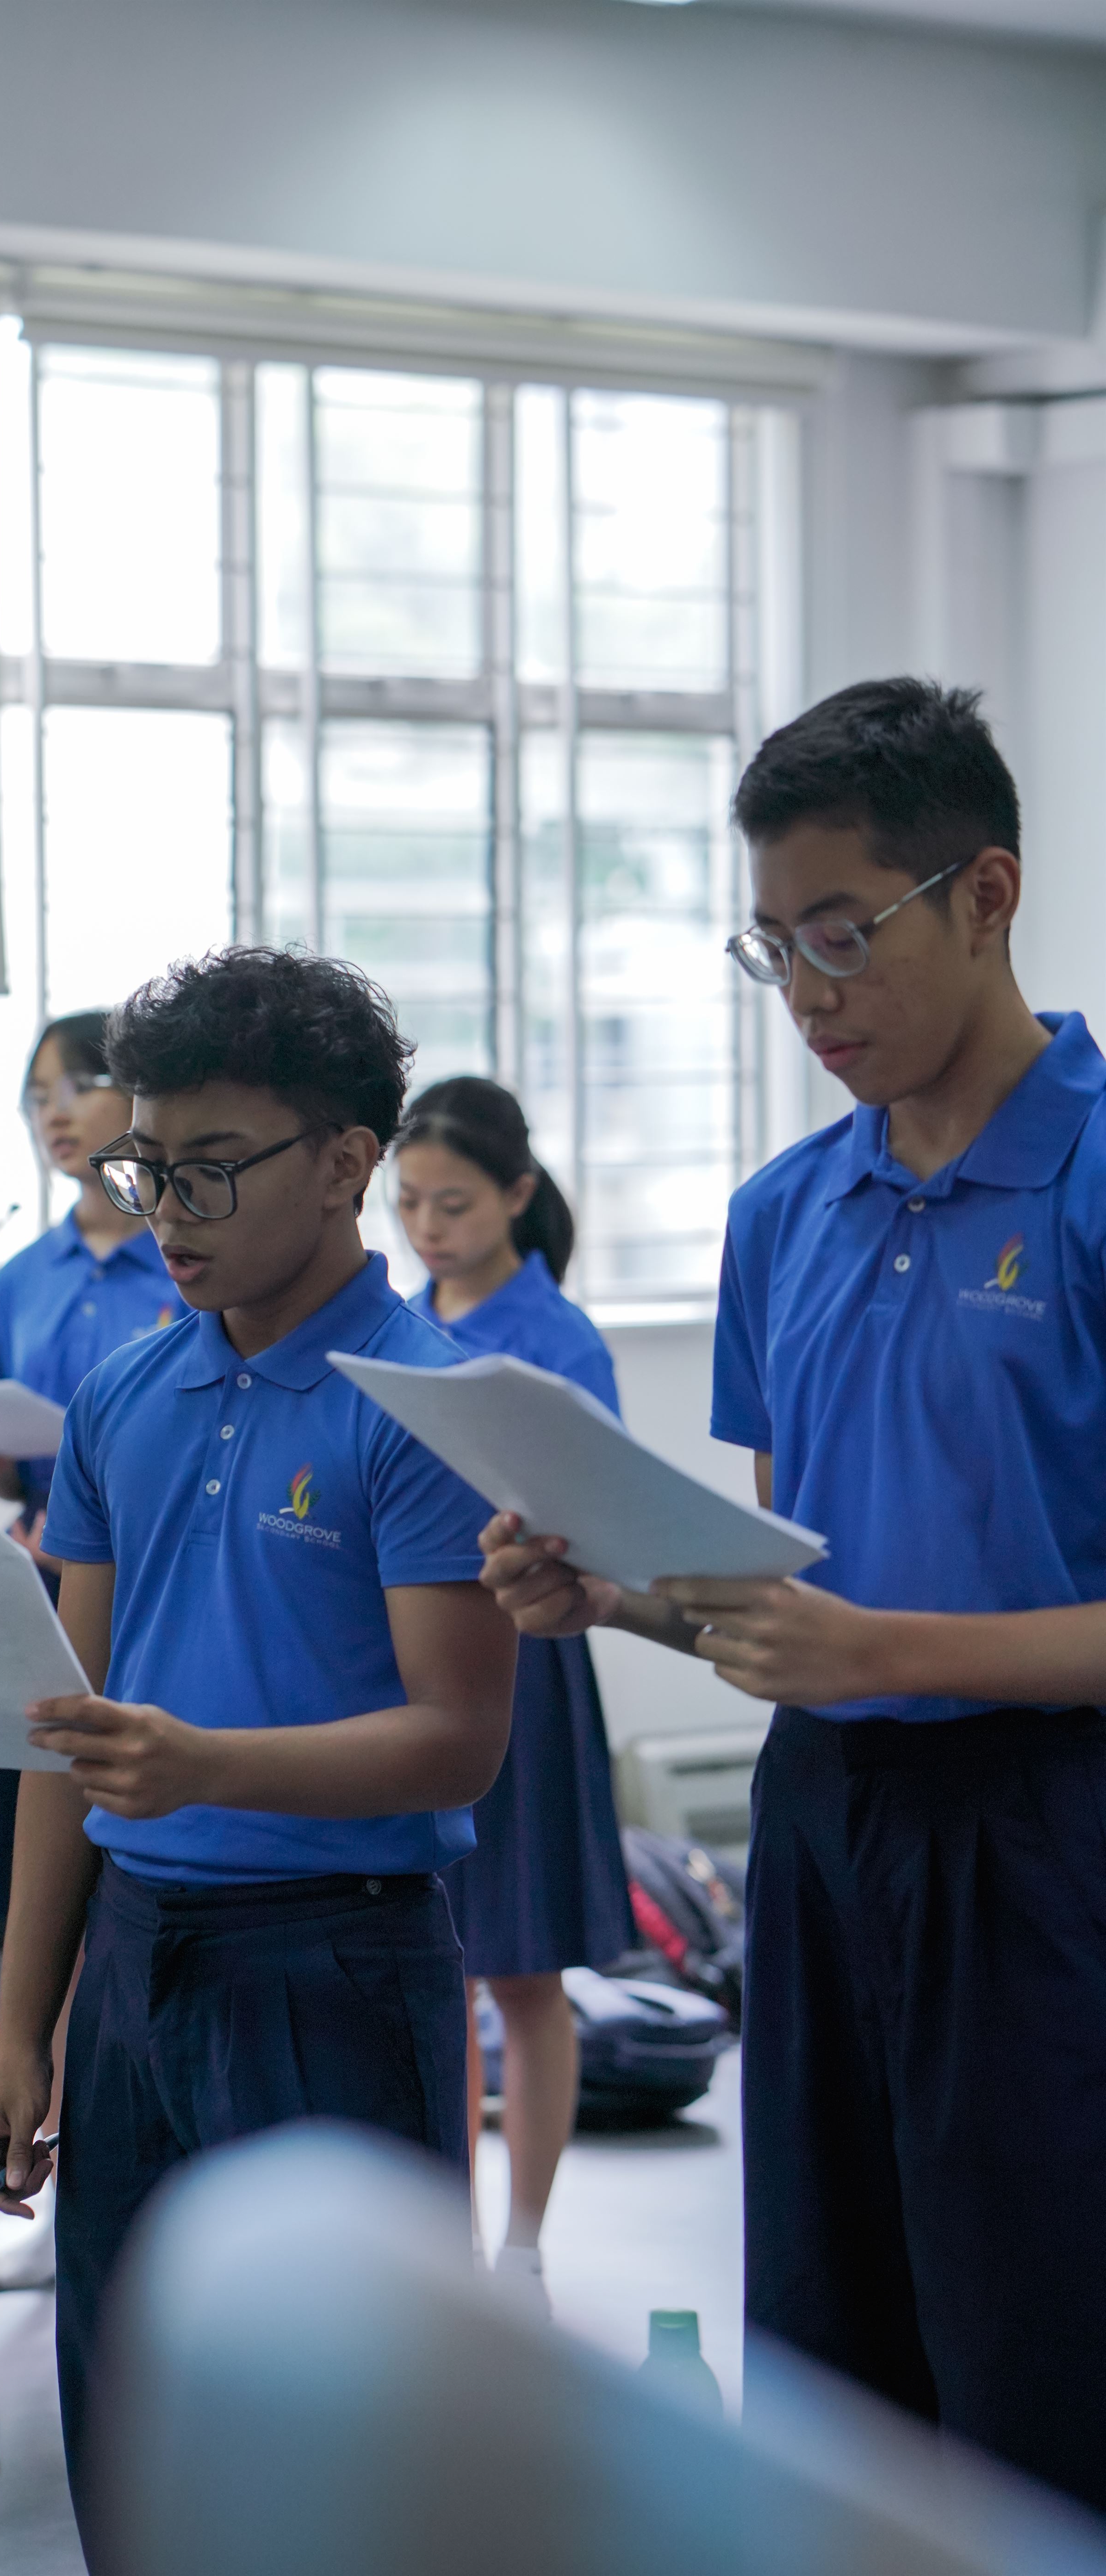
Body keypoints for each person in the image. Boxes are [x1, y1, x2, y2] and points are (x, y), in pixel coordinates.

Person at [477, 679, 1106, 2518]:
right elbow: (781, 1594)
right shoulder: (785, 1211)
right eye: (775, 951)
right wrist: (612, 1592)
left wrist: (877, 1654)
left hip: (1046, 1838)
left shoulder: (1085, 1180)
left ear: (985, 893)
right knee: (834, 2352)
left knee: (1038, 2352)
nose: (814, 995)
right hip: (822, 1827)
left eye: (845, 935)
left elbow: (862, 1627)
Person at [0, 946, 517, 2556]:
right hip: (139, 1963)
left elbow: (456, 1741)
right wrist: (21, 2026)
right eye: (147, 1165)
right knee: (135, 2436)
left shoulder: (426, 1401)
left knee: (347, 2463)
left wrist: (206, 1766)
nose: (167, 1209)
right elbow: (69, 1729)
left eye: (210, 1168)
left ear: (348, 1160)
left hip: (335, 1965)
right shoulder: (123, 1389)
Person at [0, 1008, 173, 2297]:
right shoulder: (27, 1274)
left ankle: (109, 2169)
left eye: (85, 1084)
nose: (58, 1111)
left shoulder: (186, 1256)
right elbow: (13, 1436)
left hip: (147, 1583)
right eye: (38, 1094)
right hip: (39, 1569)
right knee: (26, 1871)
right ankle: (37, 2135)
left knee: (116, 1869)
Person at [395, 1076, 632, 2301]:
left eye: (454, 1202)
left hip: (529, 1664)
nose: (429, 1227)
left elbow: (600, 1520)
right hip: (413, 1655)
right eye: (410, 1204)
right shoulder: (397, 1321)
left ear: (518, 1195)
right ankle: (445, 2251)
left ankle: (524, 2249)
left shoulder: (559, 1336)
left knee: (526, 1969)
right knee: (428, 1960)